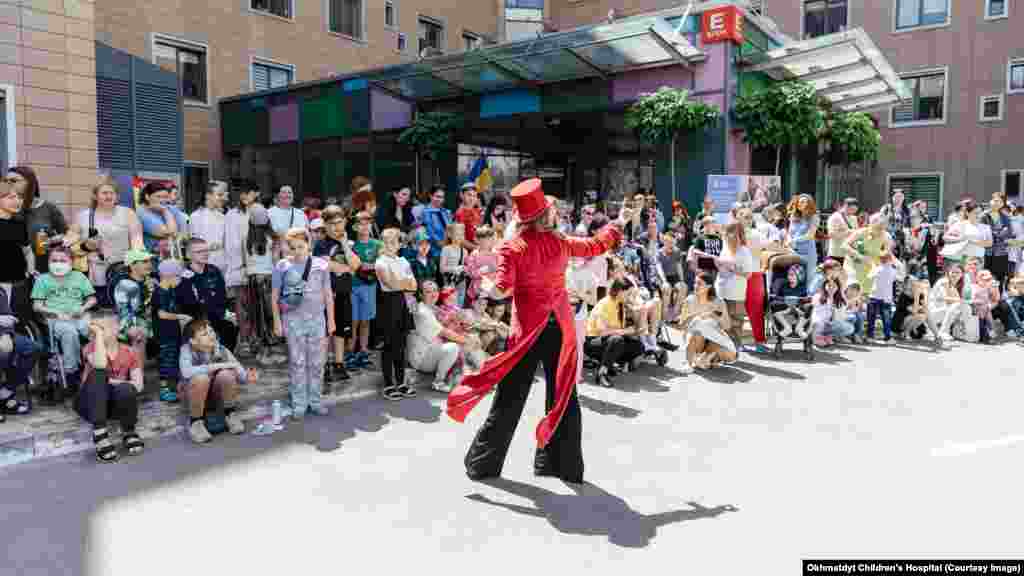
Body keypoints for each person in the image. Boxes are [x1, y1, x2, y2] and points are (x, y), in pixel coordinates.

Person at [448, 178, 630, 485]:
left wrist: (486, 286)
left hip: (527, 333)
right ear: (545, 214)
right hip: (559, 327)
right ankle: (560, 465)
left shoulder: (512, 247)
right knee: (563, 396)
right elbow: (596, 245)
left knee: (509, 399)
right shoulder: (560, 241)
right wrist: (619, 222)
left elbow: (501, 289)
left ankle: (483, 464)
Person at [272, 228, 335, 417]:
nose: (297, 251)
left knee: (317, 362)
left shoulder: (321, 265)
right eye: (293, 247)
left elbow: (328, 294)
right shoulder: (282, 266)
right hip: (292, 320)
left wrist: (331, 320)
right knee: (297, 362)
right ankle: (299, 403)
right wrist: (277, 321)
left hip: (317, 319)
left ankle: (315, 400)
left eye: (301, 246)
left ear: (309, 244)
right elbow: (274, 296)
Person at [69, 176, 144, 308]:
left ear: (117, 196)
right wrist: (86, 246)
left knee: (122, 311)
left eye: (112, 193)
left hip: (121, 273)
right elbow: (70, 246)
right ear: (95, 196)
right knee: (94, 313)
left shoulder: (128, 213)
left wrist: (138, 263)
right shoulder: (82, 216)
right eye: (104, 193)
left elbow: (137, 241)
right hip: (92, 276)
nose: (109, 196)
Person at [77, 315, 144, 462]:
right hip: (90, 404)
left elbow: (139, 385)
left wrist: (115, 382)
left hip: (112, 404)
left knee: (126, 388)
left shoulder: (130, 352)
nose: (96, 332)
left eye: (101, 329)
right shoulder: (89, 348)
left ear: (116, 329)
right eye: (94, 329)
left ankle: (128, 431)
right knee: (99, 374)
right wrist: (99, 335)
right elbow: (100, 364)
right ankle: (100, 435)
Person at [179, 319, 257, 443]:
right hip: (194, 396)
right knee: (201, 378)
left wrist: (247, 377)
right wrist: (217, 366)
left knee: (227, 374)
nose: (211, 335)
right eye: (204, 334)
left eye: (211, 331)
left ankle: (230, 414)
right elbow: (186, 372)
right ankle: (196, 422)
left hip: (214, 396)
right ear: (193, 341)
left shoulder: (221, 349)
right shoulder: (186, 350)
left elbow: (237, 368)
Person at [31, 243, 97, 387]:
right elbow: (36, 306)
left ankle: (95, 365)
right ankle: (71, 371)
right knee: (69, 332)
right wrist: (56, 312)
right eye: (54, 260)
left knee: (94, 331)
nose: (58, 264)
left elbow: (92, 299)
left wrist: (83, 308)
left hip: (79, 314)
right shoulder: (42, 280)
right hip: (56, 318)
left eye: (62, 260)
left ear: (71, 262)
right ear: (48, 262)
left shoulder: (79, 276)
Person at [314, 205, 360, 383]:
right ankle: (325, 364)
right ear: (325, 225)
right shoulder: (321, 244)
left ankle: (339, 364)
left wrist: (345, 245)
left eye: (339, 223)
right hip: (326, 294)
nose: (336, 227)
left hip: (343, 292)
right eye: (332, 224)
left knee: (341, 330)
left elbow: (356, 265)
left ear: (345, 222)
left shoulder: (348, 243)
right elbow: (325, 265)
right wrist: (346, 268)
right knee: (326, 331)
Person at [374, 228, 417, 400]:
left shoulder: (403, 261)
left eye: (393, 242)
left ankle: (401, 382)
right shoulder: (380, 262)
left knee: (401, 345)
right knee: (388, 346)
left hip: (402, 303)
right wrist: (403, 282)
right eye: (385, 241)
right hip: (387, 305)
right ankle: (388, 384)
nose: (389, 245)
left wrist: (401, 282)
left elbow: (413, 286)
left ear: (399, 244)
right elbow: (391, 284)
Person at [177, 238, 238, 352]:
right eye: (199, 252)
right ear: (188, 255)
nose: (205, 254)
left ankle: (224, 355)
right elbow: (188, 304)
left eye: (206, 250)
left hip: (218, 316)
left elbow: (222, 296)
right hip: (196, 319)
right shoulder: (184, 276)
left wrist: (225, 313)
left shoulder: (213, 270)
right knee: (204, 333)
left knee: (230, 326)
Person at [408, 280, 468, 392]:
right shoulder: (423, 311)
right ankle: (438, 382)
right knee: (454, 347)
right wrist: (467, 341)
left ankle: (461, 378)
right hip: (422, 358)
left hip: (432, 350)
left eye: (435, 290)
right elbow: (445, 332)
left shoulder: (434, 308)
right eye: (428, 292)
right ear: (421, 295)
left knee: (461, 343)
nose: (433, 294)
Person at [584, 278, 645, 388]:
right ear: (620, 291)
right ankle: (602, 373)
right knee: (617, 340)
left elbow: (619, 329)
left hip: (610, 340)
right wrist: (625, 331)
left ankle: (609, 363)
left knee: (638, 346)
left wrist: (635, 327)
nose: (630, 296)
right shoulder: (605, 303)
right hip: (593, 341)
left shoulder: (620, 304)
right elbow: (602, 332)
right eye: (628, 293)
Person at [244, 201, 282, 366]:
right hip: (268, 278)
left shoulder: (246, 238)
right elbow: (275, 261)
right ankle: (271, 350)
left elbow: (246, 261)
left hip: (253, 279)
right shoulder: (271, 238)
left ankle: (262, 351)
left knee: (257, 316)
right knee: (270, 315)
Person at [10, 166, 68, 275]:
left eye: (13, 180)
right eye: (6, 181)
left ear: (29, 182)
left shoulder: (48, 208)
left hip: (44, 267)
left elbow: (66, 233)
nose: (9, 184)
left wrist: (51, 241)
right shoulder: (5, 207)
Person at [678, 272, 736, 372]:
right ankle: (689, 362)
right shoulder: (689, 300)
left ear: (709, 286)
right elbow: (681, 326)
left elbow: (727, 326)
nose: (695, 286)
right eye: (695, 283)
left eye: (699, 284)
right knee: (697, 329)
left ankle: (706, 359)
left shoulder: (719, 302)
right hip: (695, 339)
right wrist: (695, 315)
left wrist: (715, 316)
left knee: (731, 355)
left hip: (713, 340)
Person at [714, 222, 754, 352]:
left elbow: (748, 274)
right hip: (721, 290)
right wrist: (717, 264)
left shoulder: (744, 252)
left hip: (736, 293)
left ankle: (734, 349)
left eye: (729, 233)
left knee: (735, 323)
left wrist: (732, 269)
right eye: (726, 233)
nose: (726, 236)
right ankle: (724, 350)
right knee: (721, 322)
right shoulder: (725, 247)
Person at [113, 249, 155, 372]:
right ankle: (138, 374)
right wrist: (131, 327)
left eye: (149, 261)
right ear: (132, 265)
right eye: (144, 262)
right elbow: (123, 311)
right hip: (133, 321)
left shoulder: (151, 280)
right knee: (139, 332)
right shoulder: (125, 284)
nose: (149, 264)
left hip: (152, 318)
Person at [350, 211, 381, 369]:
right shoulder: (350, 245)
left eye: (367, 223)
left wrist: (370, 265)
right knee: (353, 321)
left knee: (365, 320)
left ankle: (363, 350)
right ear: (355, 227)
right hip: (353, 285)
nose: (364, 227)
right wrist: (363, 265)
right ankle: (350, 352)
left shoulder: (377, 244)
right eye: (360, 224)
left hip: (369, 286)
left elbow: (382, 263)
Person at [0, 284, 36, 420]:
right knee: (2, 353)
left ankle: (6, 391)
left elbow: (7, 317)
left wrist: (6, 333)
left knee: (31, 348)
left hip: (3, 333)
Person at [224, 182, 252, 355]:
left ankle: (256, 339)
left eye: (249, 192)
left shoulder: (261, 212)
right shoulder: (232, 214)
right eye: (242, 193)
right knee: (241, 305)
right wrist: (241, 264)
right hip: (239, 266)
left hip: (259, 266)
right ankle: (244, 340)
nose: (245, 196)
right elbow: (232, 243)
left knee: (256, 305)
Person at [155, 259, 188, 403]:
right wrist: (180, 316)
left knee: (174, 359)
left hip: (173, 332)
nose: (179, 280)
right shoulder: (160, 293)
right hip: (164, 334)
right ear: (168, 276)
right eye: (178, 276)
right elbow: (161, 314)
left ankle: (174, 388)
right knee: (166, 361)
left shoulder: (170, 290)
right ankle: (165, 390)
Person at [844, 212, 894, 293]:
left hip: (870, 269)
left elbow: (887, 252)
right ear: (871, 224)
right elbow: (845, 245)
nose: (880, 230)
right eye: (878, 227)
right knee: (853, 292)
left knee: (866, 293)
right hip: (854, 267)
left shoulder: (886, 236)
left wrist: (880, 254)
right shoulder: (861, 232)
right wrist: (858, 255)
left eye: (882, 227)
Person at [189, 181, 228, 272]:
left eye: (222, 195)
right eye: (219, 195)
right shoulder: (196, 216)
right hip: (204, 266)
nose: (222, 198)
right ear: (208, 196)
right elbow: (194, 243)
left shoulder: (223, 217)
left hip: (222, 265)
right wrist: (210, 247)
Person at [136, 181, 180, 258]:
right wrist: (165, 211)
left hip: (172, 255)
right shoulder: (141, 213)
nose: (162, 200)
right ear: (147, 197)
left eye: (165, 197)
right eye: (158, 197)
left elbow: (180, 232)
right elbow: (170, 233)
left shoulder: (170, 208)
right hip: (153, 259)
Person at [866, 251, 902, 343]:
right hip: (886, 298)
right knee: (886, 319)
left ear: (880, 260)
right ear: (890, 259)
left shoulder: (877, 269)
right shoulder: (892, 271)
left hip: (874, 296)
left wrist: (873, 267)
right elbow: (901, 277)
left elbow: (869, 277)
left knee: (871, 318)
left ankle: (870, 336)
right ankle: (887, 337)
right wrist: (896, 262)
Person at [943, 200, 991, 267]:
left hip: (978, 259)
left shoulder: (985, 227)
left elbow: (990, 243)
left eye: (980, 213)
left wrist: (972, 241)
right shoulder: (960, 224)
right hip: (962, 258)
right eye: (975, 213)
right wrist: (960, 239)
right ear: (968, 213)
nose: (978, 215)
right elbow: (945, 237)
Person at [981, 192, 1013, 292]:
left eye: (999, 201)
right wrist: (1000, 233)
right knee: (985, 278)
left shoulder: (1005, 217)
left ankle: (998, 299)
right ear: (990, 201)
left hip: (1001, 252)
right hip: (986, 252)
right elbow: (984, 232)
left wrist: (995, 233)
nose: (996, 203)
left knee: (999, 278)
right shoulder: (983, 216)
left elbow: (1009, 233)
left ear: (1003, 204)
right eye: (995, 200)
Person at [785, 194, 819, 289]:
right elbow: (789, 233)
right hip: (793, 251)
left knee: (809, 279)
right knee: (793, 277)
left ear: (810, 204)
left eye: (805, 202)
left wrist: (794, 240)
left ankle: (809, 296)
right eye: (800, 202)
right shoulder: (793, 216)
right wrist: (789, 240)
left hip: (808, 252)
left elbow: (810, 235)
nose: (802, 204)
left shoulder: (814, 217)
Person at [810, 278, 854, 348]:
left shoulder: (839, 299)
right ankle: (816, 338)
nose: (831, 288)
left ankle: (827, 336)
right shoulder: (818, 296)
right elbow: (815, 312)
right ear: (824, 286)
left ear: (838, 287)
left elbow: (840, 314)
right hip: (818, 321)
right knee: (818, 323)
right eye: (829, 285)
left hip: (829, 323)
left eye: (834, 286)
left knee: (849, 327)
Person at [268, 185, 308, 261]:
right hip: (278, 255)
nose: (287, 195)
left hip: (299, 255)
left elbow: (307, 233)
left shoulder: (300, 213)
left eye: (290, 192)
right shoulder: (269, 213)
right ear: (278, 196)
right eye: (284, 192)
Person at [465, 226, 499, 306]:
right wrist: (484, 270)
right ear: (478, 240)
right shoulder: (474, 255)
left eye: (490, 238)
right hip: (478, 291)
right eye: (486, 239)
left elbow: (500, 271)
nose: (489, 241)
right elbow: (471, 273)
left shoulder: (496, 253)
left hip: (493, 290)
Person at [440, 222, 470, 307]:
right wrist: (454, 269)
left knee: (459, 305)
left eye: (462, 234)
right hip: (449, 282)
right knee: (450, 304)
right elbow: (441, 269)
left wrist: (465, 269)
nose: (460, 237)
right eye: (457, 234)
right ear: (450, 235)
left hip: (461, 282)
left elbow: (466, 267)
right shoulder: (446, 249)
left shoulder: (465, 251)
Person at [421, 186, 453, 258]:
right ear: (430, 196)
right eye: (437, 196)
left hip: (449, 250)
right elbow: (431, 235)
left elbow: (451, 230)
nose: (440, 199)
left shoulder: (446, 212)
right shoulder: (425, 213)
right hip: (434, 253)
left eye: (442, 197)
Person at [827, 198, 859, 266]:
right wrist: (848, 232)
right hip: (837, 253)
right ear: (845, 206)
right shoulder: (835, 217)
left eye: (855, 210)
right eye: (851, 209)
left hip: (850, 253)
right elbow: (831, 234)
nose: (853, 212)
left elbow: (856, 233)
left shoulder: (854, 218)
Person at [454, 182, 482, 251]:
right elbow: (460, 239)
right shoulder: (460, 213)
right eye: (469, 195)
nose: (472, 198)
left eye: (474, 196)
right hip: (467, 253)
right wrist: (477, 248)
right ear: (461, 195)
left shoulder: (476, 211)